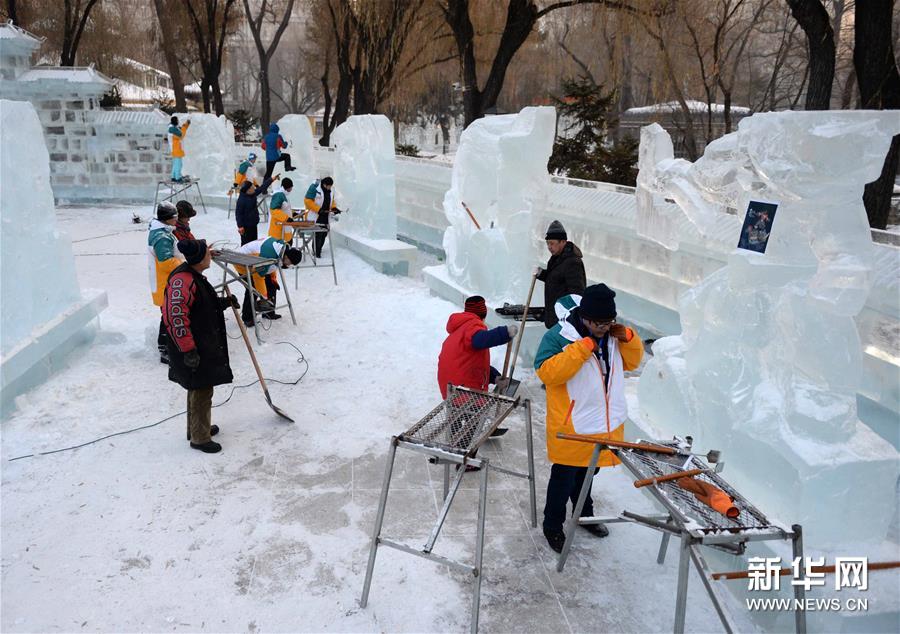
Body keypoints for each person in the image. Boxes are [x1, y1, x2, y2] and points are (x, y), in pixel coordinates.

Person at [533, 284, 643, 553]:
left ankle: (584, 514)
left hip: (603, 423)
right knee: (564, 477)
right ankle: (552, 526)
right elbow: (547, 373)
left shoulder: (613, 334)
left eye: (609, 321)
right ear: (584, 316)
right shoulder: (558, 336)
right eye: (599, 323)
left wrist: (629, 338)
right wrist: (581, 349)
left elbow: (632, 363)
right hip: (572, 424)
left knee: (589, 472)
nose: (605, 327)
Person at [162, 239, 237, 453]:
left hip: (200, 342)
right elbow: (175, 316)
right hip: (192, 346)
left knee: (199, 387)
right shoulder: (182, 281)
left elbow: (201, 307)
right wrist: (188, 349)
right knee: (201, 388)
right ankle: (200, 437)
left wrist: (224, 303)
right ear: (198, 258)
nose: (210, 256)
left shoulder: (192, 276)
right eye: (207, 253)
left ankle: (195, 428)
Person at [437, 296, 517, 399]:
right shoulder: (472, 327)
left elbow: (471, 365)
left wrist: (495, 377)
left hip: (450, 390)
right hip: (464, 393)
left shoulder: (459, 331)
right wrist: (505, 333)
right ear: (483, 315)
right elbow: (482, 339)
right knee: (474, 412)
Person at [235, 236, 302, 326]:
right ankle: (248, 317)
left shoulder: (281, 248)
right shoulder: (267, 255)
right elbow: (258, 276)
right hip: (242, 262)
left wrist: (273, 279)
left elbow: (272, 265)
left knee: (271, 284)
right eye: (289, 263)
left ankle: (268, 312)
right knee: (252, 288)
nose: (289, 265)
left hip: (256, 262)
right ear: (286, 256)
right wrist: (264, 297)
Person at [148, 202, 183, 364]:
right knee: (168, 316)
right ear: (167, 219)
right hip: (164, 282)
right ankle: (165, 349)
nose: (177, 220)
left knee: (168, 315)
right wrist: (186, 265)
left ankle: (168, 346)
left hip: (167, 281)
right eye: (175, 217)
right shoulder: (161, 237)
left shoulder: (164, 231)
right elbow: (166, 262)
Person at [536, 220, 586, 329]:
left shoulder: (572, 262)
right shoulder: (556, 259)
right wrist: (541, 274)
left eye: (552, 243)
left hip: (565, 323)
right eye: (547, 243)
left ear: (563, 241)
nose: (549, 247)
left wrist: (568, 319)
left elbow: (577, 294)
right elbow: (555, 279)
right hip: (555, 319)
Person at [304, 176, 342, 258]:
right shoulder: (314, 187)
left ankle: (319, 249)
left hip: (325, 215)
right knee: (318, 234)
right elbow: (307, 201)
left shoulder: (331, 190)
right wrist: (318, 209)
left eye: (331, 186)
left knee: (324, 234)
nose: (330, 188)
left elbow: (332, 201)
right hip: (316, 215)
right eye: (329, 186)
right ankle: (317, 252)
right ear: (324, 184)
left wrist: (334, 208)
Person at [235, 171, 275, 245]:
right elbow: (238, 214)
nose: (254, 188)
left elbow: (262, 188)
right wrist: (240, 226)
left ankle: (252, 255)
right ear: (248, 190)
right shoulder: (241, 200)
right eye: (252, 187)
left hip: (253, 223)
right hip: (246, 226)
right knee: (246, 244)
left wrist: (271, 179)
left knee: (254, 242)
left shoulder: (252, 194)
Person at [268, 177, 299, 242]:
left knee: (288, 244)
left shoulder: (284, 194)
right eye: (291, 187)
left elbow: (285, 208)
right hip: (278, 228)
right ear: (287, 187)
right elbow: (274, 210)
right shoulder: (278, 195)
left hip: (285, 226)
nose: (291, 189)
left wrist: (293, 213)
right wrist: (286, 218)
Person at [167, 116, 190, 183]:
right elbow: (181, 134)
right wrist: (185, 127)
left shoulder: (173, 127)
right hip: (176, 148)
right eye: (177, 120)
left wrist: (187, 124)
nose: (178, 121)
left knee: (175, 163)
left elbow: (181, 128)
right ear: (175, 121)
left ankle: (173, 177)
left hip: (175, 148)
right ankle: (178, 177)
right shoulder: (172, 129)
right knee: (178, 164)